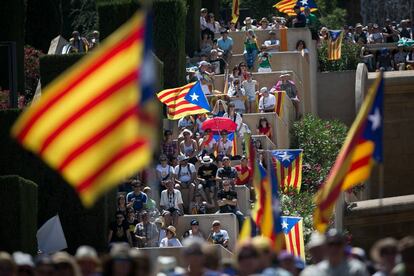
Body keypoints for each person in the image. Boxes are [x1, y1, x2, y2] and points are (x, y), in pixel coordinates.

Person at [301, 229, 369, 276]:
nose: (334, 248)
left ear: (344, 245)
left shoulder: (356, 269)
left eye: (338, 244)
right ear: (325, 246)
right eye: (330, 244)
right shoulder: (313, 272)